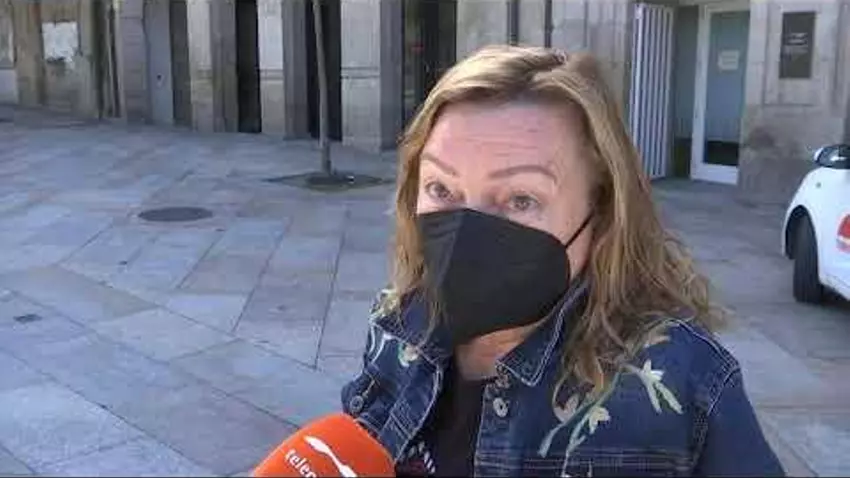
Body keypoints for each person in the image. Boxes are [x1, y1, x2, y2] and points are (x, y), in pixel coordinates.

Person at [340, 45, 784, 477]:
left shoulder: (684, 382)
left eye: (520, 199)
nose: (465, 232)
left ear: (602, 210)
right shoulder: (398, 321)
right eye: (441, 188)